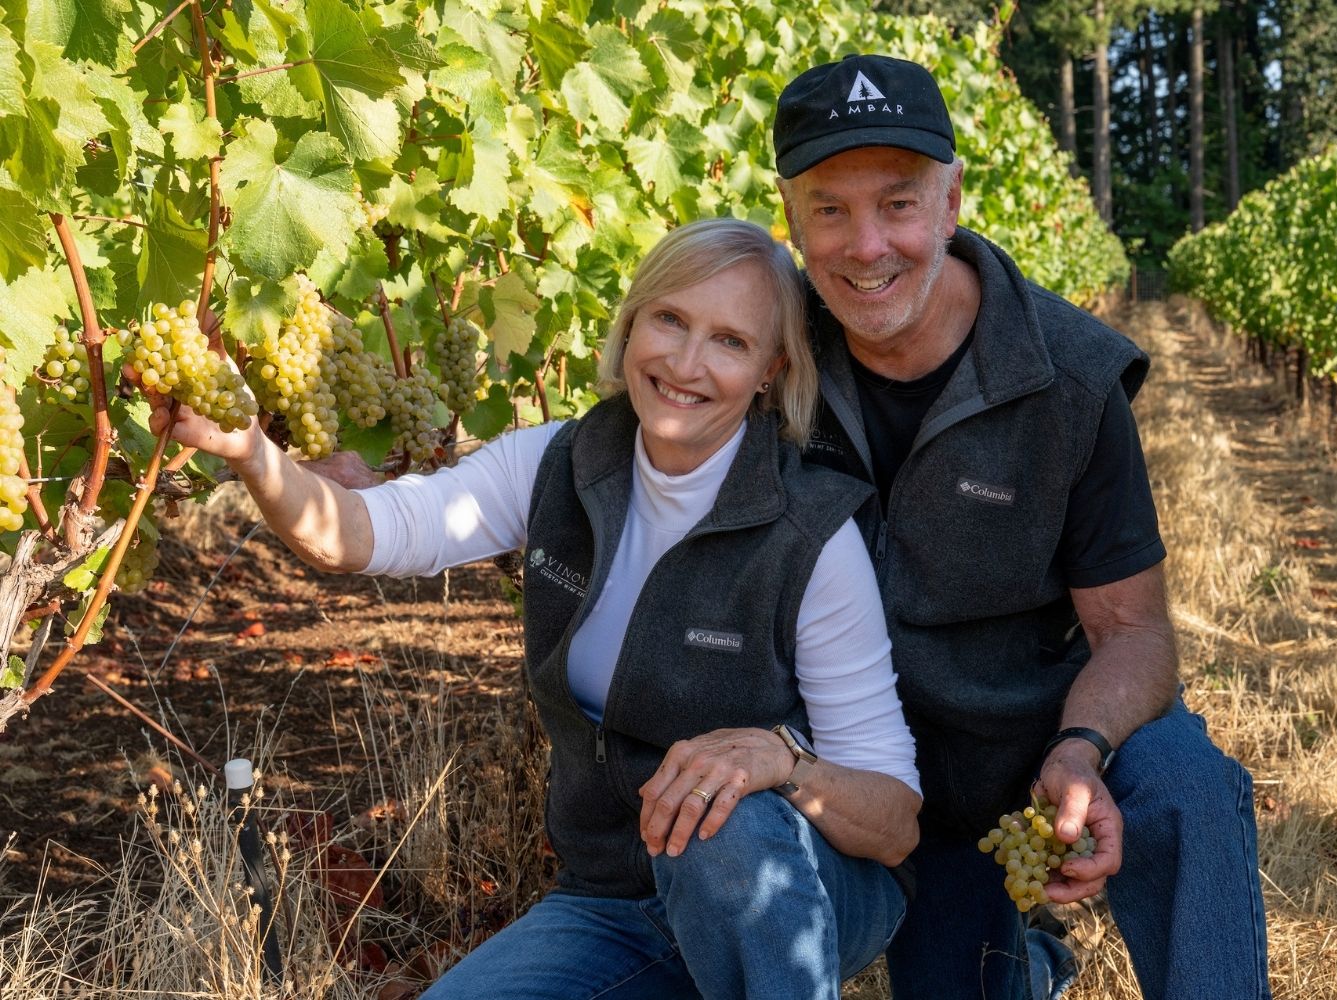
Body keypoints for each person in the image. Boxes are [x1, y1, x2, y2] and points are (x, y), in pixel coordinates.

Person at [152, 219, 922, 999]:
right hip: (616, 897)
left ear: (770, 369)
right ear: (632, 322)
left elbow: (894, 824)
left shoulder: (809, 537)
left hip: (794, 892)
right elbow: (363, 532)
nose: (686, 363)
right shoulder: (558, 463)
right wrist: (252, 451)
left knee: (725, 822)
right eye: (670, 320)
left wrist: (782, 765)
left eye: (729, 341)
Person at [770, 55, 1271, 1000]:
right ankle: (1028, 961)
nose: (866, 245)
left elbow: (1135, 632)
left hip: (1039, 742)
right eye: (829, 208)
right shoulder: (763, 356)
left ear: (953, 201)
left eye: (899, 204)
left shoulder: (1071, 379)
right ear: (790, 218)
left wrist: (1081, 748)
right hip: (873, 766)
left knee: (1191, 787)